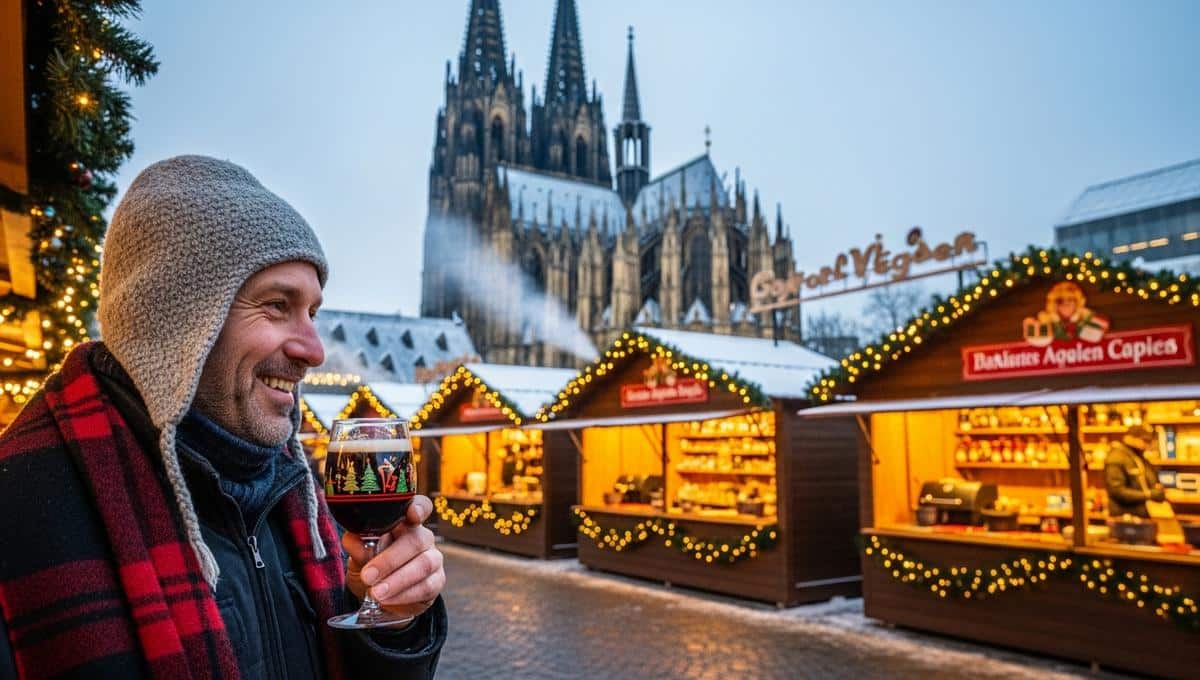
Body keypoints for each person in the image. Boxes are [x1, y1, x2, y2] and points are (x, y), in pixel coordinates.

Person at [0, 156, 446, 678]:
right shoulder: (23, 506)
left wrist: (393, 623)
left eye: (313, 312)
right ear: (174, 322)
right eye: (278, 305)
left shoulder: (291, 489)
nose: (314, 349)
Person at [1105, 423, 1167, 518]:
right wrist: (1149, 494)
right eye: (1144, 440)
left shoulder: (1138, 456)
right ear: (1129, 438)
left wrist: (1156, 489)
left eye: (1149, 441)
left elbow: (1148, 480)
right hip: (1125, 517)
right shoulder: (1116, 457)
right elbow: (1117, 491)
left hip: (1143, 513)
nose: (1146, 444)